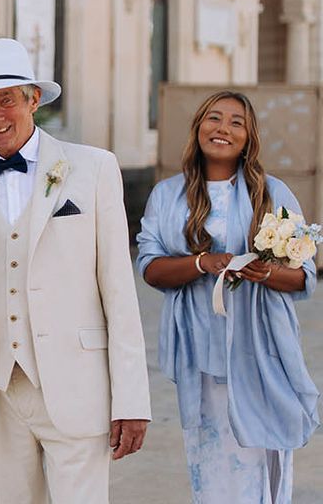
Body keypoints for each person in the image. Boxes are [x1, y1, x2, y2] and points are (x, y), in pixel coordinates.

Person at [0, 38, 150, 504]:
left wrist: (132, 400)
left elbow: (119, 292)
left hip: (77, 386)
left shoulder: (94, 168)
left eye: (6, 99)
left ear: (34, 99)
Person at [136, 91, 319, 503]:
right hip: (202, 351)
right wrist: (202, 263)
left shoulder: (273, 193)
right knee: (214, 464)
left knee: (262, 457)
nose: (223, 129)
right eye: (214, 118)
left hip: (262, 351)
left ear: (249, 136)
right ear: (198, 127)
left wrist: (266, 273)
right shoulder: (167, 195)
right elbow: (149, 267)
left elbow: (304, 276)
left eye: (237, 122)